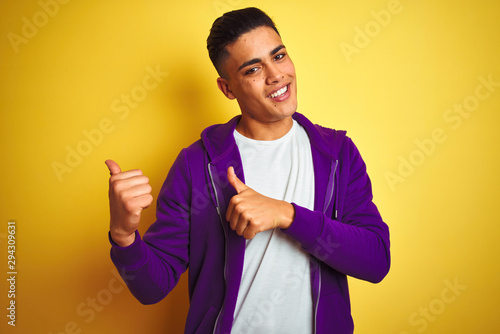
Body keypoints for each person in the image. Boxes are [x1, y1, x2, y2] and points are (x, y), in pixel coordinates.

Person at [105, 7, 390, 334]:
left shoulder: (337, 153)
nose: (276, 75)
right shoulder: (196, 165)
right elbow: (151, 288)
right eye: (253, 69)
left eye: (279, 56)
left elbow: (375, 260)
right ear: (228, 89)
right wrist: (124, 236)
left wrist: (288, 215)